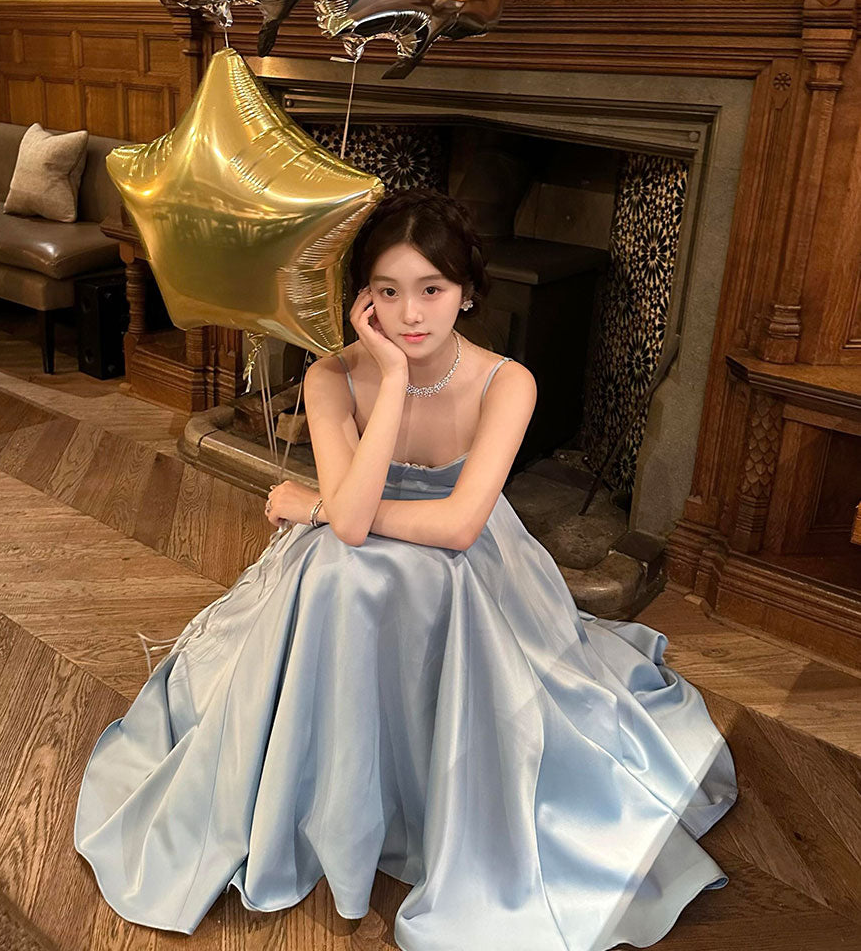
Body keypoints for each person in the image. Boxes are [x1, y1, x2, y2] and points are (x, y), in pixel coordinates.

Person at [74, 187, 738, 950]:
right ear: (363, 298)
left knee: (392, 571)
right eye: (387, 292)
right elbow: (355, 525)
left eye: (432, 290)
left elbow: (456, 527)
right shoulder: (332, 377)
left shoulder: (507, 381)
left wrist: (318, 506)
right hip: (349, 557)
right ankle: (332, 801)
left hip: (475, 564)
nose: (411, 314)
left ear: (467, 293)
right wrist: (389, 382)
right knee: (339, 576)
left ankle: (432, 791)